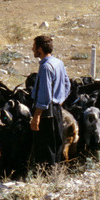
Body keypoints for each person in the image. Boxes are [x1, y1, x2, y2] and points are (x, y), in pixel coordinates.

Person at [29, 34, 71, 170]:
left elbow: (44, 94)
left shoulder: (46, 67)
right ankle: (55, 174)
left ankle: (47, 177)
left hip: (46, 112)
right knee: (56, 143)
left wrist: (37, 116)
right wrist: (59, 100)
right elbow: (67, 85)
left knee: (45, 146)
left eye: (34, 47)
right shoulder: (58, 63)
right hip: (57, 109)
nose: (32, 49)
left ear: (40, 49)